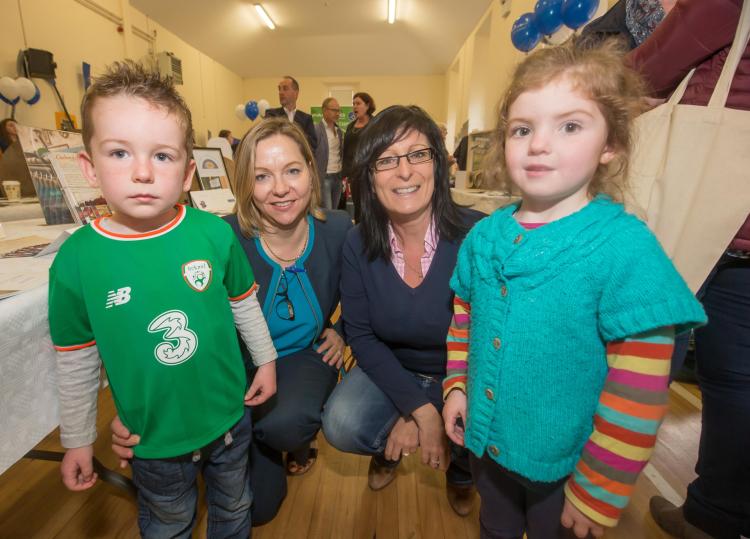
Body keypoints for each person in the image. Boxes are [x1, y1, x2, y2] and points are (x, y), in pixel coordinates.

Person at [441, 40, 706, 539]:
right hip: (487, 450)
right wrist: (457, 386)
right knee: (494, 526)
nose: (539, 144)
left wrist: (598, 489)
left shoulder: (625, 248)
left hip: (567, 470)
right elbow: (463, 323)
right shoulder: (482, 237)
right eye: (523, 129)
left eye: (570, 126)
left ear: (610, 146)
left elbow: (637, 393)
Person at [47, 61, 277, 538]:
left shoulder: (215, 234)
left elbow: (243, 304)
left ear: (188, 172)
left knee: (235, 506)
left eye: (163, 156)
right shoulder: (75, 261)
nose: (143, 172)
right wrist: (78, 440)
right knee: (169, 522)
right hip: (151, 441)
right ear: (88, 167)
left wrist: (267, 362)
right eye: (119, 152)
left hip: (229, 421)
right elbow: (76, 358)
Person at [111, 117, 352, 526]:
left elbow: (367, 295)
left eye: (292, 170)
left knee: (286, 427)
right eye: (262, 176)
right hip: (230, 366)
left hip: (301, 355)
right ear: (244, 183)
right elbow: (167, 320)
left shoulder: (339, 229)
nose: (280, 188)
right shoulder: (220, 236)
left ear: (312, 172)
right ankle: (235, 440)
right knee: (257, 511)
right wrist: (136, 407)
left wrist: (342, 332)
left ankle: (273, 438)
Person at [625, 1, 750, 537]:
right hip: (745, 230)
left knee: (640, 359)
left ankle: (592, 488)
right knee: (738, 379)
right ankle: (716, 515)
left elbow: (650, 66)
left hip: (697, 205)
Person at [322, 105, 483, 517]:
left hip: (466, 372)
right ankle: (390, 444)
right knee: (341, 422)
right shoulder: (358, 243)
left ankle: (461, 470)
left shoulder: (480, 235)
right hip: (395, 367)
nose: (405, 171)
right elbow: (361, 336)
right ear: (368, 176)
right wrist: (420, 412)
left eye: (418, 154)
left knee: (487, 418)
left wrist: (448, 400)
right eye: (386, 160)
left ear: (438, 163)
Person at [341, 91, 375, 221]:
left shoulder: (375, 124)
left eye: (358, 103)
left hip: (370, 173)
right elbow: (346, 150)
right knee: (358, 206)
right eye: (353, 104)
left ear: (367, 105)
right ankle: (359, 229)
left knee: (371, 206)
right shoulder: (350, 126)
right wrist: (345, 173)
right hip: (354, 174)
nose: (355, 107)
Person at [265, 76, 318, 152]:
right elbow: (268, 138)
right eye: (279, 89)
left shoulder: (307, 119)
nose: (281, 92)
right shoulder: (271, 115)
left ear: (296, 93)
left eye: (285, 88)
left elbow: (312, 145)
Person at [314, 97, 344, 209]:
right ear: (324, 110)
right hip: (324, 177)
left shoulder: (339, 131)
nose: (337, 113)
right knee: (328, 211)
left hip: (338, 177)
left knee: (334, 211)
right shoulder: (316, 130)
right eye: (334, 110)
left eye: (338, 110)